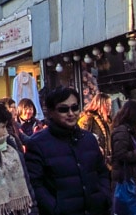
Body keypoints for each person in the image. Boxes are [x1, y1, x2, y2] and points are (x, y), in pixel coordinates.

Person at [25, 86, 111, 215]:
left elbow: (102, 172)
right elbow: (35, 184)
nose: (71, 113)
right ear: (52, 112)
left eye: (74, 107)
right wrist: (55, 208)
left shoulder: (88, 139)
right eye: (63, 109)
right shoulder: (38, 143)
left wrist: (103, 196)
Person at [78, 93, 113, 167]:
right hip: (92, 163)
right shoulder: (87, 119)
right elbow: (80, 140)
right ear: (100, 105)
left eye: (110, 105)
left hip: (105, 163)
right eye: (107, 105)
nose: (110, 108)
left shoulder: (107, 122)